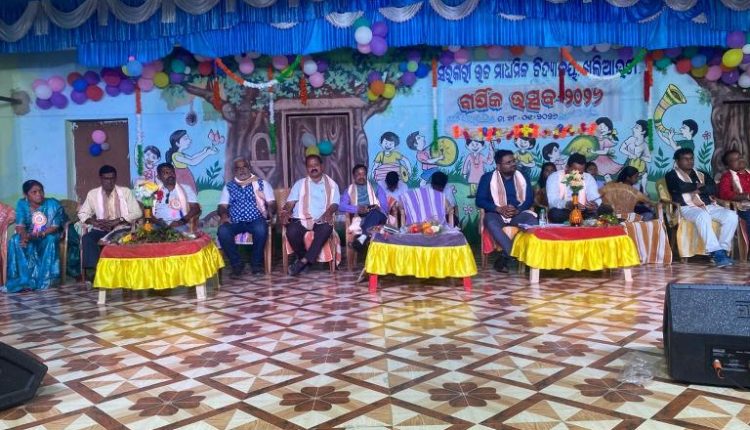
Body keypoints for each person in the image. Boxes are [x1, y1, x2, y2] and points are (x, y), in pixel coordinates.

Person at [666, 148, 737, 267]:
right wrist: (699, 186)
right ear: (677, 161)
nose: (689, 161)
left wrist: (698, 189)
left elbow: (713, 188)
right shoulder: (671, 175)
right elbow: (679, 187)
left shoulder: (701, 174)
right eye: (685, 159)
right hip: (686, 208)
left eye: (691, 158)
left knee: (732, 216)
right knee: (702, 215)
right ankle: (715, 251)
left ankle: (723, 251)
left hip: (708, 206)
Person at [476, 150, 537, 272]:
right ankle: (513, 253)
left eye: (513, 161)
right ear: (498, 166)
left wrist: (518, 210)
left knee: (532, 220)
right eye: (508, 162)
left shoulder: (523, 176)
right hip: (496, 214)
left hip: (517, 214)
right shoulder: (487, 178)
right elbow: (480, 200)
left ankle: (505, 257)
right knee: (490, 220)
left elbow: (529, 199)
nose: (513, 164)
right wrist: (498, 208)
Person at [78, 165, 142, 278]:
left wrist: (118, 220)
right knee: (87, 239)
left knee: (122, 238)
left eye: (112, 178)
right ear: (101, 179)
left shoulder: (125, 192)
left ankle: (123, 274)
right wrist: (93, 222)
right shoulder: (93, 194)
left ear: (116, 178)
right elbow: (83, 213)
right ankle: (95, 273)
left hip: (122, 228)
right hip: (101, 229)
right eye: (106, 178)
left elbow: (137, 212)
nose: (109, 181)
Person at [281, 154, 340, 276]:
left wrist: (329, 212)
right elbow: (290, 203)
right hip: (301, 219)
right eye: (310, 166)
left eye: (316, 165)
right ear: (306, 168)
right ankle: (305, 260)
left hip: (321, 219)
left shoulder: (332, 184)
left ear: (322, 166)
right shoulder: (299, 184)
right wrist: (285, 212)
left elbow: (335, 204)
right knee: (291, 231)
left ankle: (302, 263)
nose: (313, 168)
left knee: (326, 228)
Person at [217, 158, 276, 278]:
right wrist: (224, 215)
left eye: (244, 167)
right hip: (235, 221)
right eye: (238, 168)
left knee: (261, 229)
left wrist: (270, 211)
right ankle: (237, 264)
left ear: (250, 168)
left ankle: (256, 265)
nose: (242, 170)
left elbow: (272, 202)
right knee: (223, 231)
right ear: (234, 171)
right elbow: (222, 206)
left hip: (256, 219)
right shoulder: (229, 187)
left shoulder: (262, 184)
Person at [5, 180, 64, 292]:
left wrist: (41, 233)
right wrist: (24, 236)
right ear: (26, 195)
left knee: (50, 239)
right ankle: (24, 281)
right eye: (34, 192)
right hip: (30, 234)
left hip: (48, 234)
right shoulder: (22, 204)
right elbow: (20, 225)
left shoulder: (52, 204)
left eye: (41, 191)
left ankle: (46, 281)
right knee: (15, 240)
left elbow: (55, 226)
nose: (39, 194)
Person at [340, 164, 387, 250]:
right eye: (358, 174)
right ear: (354, 176)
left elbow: (384, 206)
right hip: (361, 216)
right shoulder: (349, 190)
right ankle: (364, 239)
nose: (361, 177)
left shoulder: (376, 187)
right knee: (370, 217)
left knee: (374, 212)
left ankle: (363, 238)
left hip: (379, 216)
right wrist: (357, 209)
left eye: (364, 174)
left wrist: (379, 209)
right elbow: (341, 206)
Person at [546, 153, 601, 224]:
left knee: (603, 209)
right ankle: (579, 220)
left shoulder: (588, 178)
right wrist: (568, 204)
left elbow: (594, 196)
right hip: (565, 211)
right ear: (567, 167)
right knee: (554, 214)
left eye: (581, 173)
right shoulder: (554, 177)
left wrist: (594, 204)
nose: (577, 175)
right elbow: (552, 201)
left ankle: (583, 220)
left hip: (583, 212)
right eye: (575, 172)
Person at [166, 129, 218, 194]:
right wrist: (207, 153)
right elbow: (192, 162)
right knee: (186, 193)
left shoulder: (181, 154)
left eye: (188, 138)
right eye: (186, 138)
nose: (189, 140)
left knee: (190, 193)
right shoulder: (176, 156)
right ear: (177, 143)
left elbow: (192, 157)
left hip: (185, 174)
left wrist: (203, 152)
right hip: (181, 177)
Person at [153, 163, 200, 232]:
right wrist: (157, 222)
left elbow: (195, 208)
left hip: (179, 224)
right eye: (166, 173)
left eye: (172, 172)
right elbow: (148, 211)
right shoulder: (154, 191)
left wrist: (181, 221)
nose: (170, 175)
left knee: (180, 231)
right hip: (158, 224)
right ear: (159, 177)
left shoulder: (185, 189)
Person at [718, 149, 750, 227]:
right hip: (742, 207)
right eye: (735, 160)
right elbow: (725, 194)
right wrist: (746, 196)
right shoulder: (727, 177)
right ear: (728, 165)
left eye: (740, 157)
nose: (740, 160)